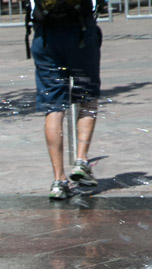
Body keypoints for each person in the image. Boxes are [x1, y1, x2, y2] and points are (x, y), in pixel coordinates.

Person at [26, 0, 102, 201]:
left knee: (53, 107)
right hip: (81, 34)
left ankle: (59, 181)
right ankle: (81, 159)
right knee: (87, 97)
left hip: (46, 38)